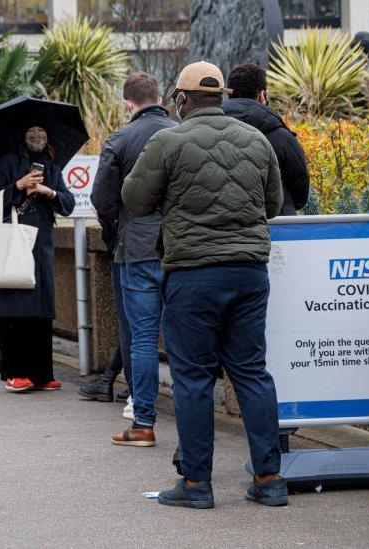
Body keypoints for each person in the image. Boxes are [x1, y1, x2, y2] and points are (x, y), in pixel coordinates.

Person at [123, 61, 284, 509]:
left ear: (182, 99)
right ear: (223, 97)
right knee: (251, 371)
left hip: (193, 274)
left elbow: (134, 199)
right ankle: (269, 479)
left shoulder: (167, 140)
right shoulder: (256, 140)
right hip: (249, 272)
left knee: (193, 378)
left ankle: (196, 484)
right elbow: (271, 203)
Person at [91, 72, 177, 445]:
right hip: (178, 248)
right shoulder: (179, 132)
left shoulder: (121, 138)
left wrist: (116, 234)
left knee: (141, 337)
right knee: (185, 337)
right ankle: (196, 420)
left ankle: (142, 422)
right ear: (159, 96)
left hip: (136, 249)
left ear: (128, 103)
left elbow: (101, 197)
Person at [0, 124, 76, 392]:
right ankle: (15, 372)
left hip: (43, 244)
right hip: (15, 243)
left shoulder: (52, 166)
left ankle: (41, 373)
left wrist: (48, 192)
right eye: (32, 133)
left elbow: (68, 203)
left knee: (42, 309)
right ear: (22, 136)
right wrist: (19, 185)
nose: (37, 137)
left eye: (42, 133)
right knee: (16, 309)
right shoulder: (7, 163)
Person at [224, 63, 309, 215]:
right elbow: (300, 190)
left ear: (229, 94)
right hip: (277, 224)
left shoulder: (210, 131)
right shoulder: (281, 136)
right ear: (263, 95)